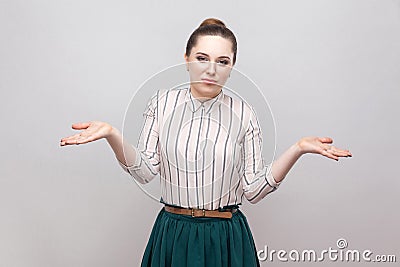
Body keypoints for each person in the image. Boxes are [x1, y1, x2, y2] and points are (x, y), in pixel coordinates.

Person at [60, 18, 352, 267]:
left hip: (226, 237)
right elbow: (146, 171)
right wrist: (113, 134)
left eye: (222, 62)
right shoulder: (161, 104)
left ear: (232, 66)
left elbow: (253, 189)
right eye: (202, 58)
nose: (211, 70)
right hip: (173, 233)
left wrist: (298, 149)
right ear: (186, 59)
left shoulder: (244, 112)